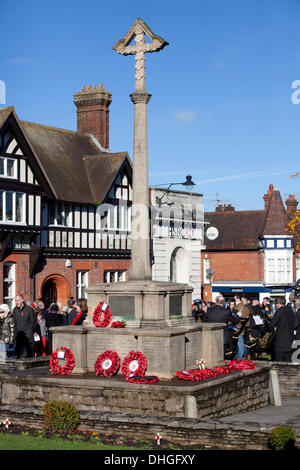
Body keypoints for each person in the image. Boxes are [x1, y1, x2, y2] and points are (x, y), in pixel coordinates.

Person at [266, 297, 295, 362]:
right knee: (288, 362)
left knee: (279, 362)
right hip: (290, 339)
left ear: (278, 303)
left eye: (276, 304)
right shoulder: (291, 311)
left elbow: (271, 325)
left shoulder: (279, 311)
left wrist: (267, 326)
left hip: (281, 340)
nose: (275, 305)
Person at [13, 294, 36, 358]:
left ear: (22, 300)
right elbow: (15, 323)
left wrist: (31, 331)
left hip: (28, 337)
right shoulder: (15, 310)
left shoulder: (29, 310)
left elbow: (34, 322)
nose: (16, 302)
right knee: (19, 357)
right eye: (15, 301)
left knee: (28, 356)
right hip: (18, 337)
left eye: (18, 300)